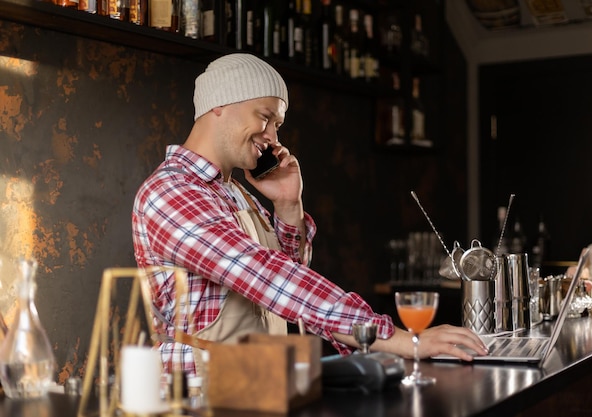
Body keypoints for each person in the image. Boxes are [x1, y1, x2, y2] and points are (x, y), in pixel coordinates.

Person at [132, 53, 488, 377]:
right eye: (265, 117)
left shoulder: (235, 193)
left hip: (254, 384)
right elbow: (269, 278)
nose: (272, 137)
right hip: (197, 397)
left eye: (278, 125)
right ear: (220, 105)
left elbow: (288, 290)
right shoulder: (172, 193)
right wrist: (400, 340)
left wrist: (288, 205)